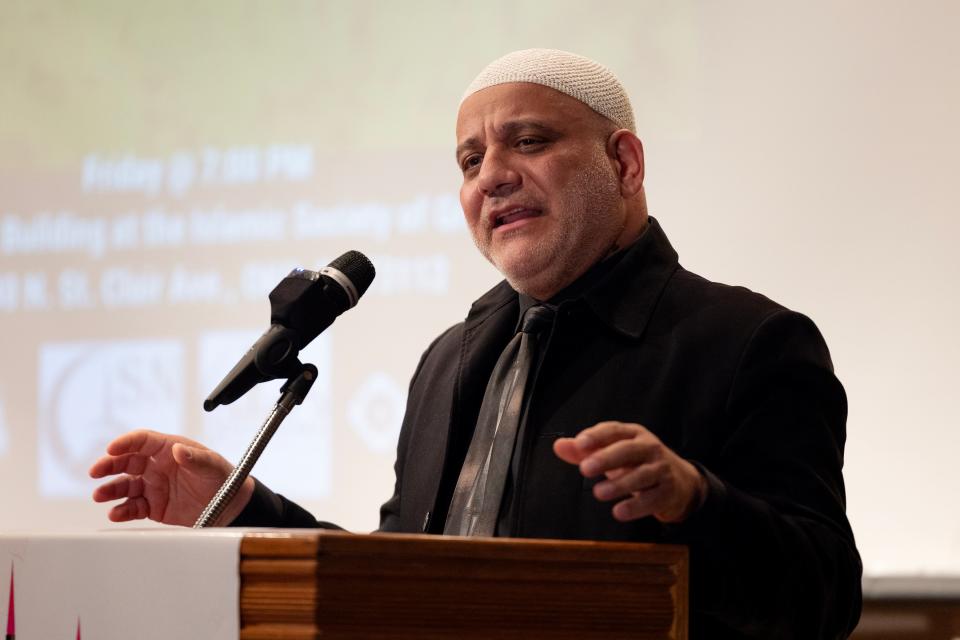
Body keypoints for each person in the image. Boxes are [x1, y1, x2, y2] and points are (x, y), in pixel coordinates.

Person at [90, 49, 862, 637]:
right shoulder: (451, 359)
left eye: (527, 142)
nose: (490, 176)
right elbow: (404, 583)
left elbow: (827, 594)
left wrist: (695, 501)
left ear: (623, 163)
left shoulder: (748, 341)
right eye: (470, 160)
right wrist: (242, 508)